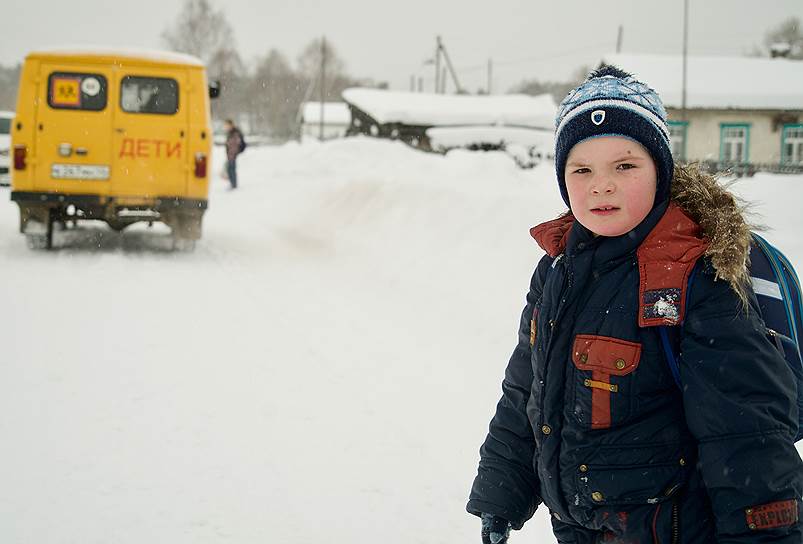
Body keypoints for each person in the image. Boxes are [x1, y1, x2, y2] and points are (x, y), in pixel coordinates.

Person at [467, 65, 803, 543]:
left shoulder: (695, 276)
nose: (601, 185)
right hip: (579, 529)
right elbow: (527, 391)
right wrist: (502, 494)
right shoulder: (557, 269)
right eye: (582, 169)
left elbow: (746, 432)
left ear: (660, 171)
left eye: (624, 166)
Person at [224, 119, 244, 189]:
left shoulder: (234, 132)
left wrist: (234, 152)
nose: (225, 127)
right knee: (230, 169)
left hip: (232, 153)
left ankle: (234, 184)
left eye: (227, 125)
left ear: (231, 125)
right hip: (230, 153)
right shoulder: (230, 132)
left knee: (231, 169)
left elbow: (235, 143)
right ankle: (232, 184)